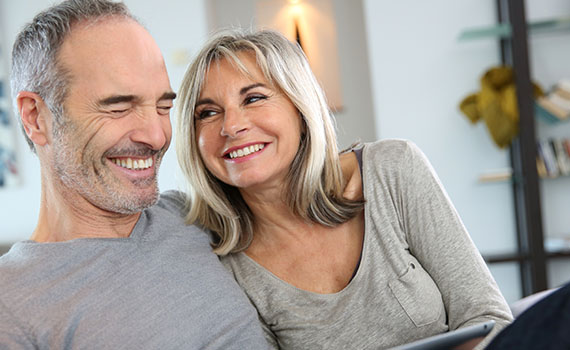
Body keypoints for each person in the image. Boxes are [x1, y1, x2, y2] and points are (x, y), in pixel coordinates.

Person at [176, 29, 513, 350]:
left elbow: (490, 320)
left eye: (253, 98)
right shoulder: (225, 263)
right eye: (207, 112)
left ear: (300, 109)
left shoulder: (394, 169)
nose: (232, 126)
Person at [0, 1, 268, 348]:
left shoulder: (194, 216)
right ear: (36, 117)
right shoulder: (12, 302)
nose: (156, 137)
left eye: (163, 107)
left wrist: (356, 165)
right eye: (119, 107)